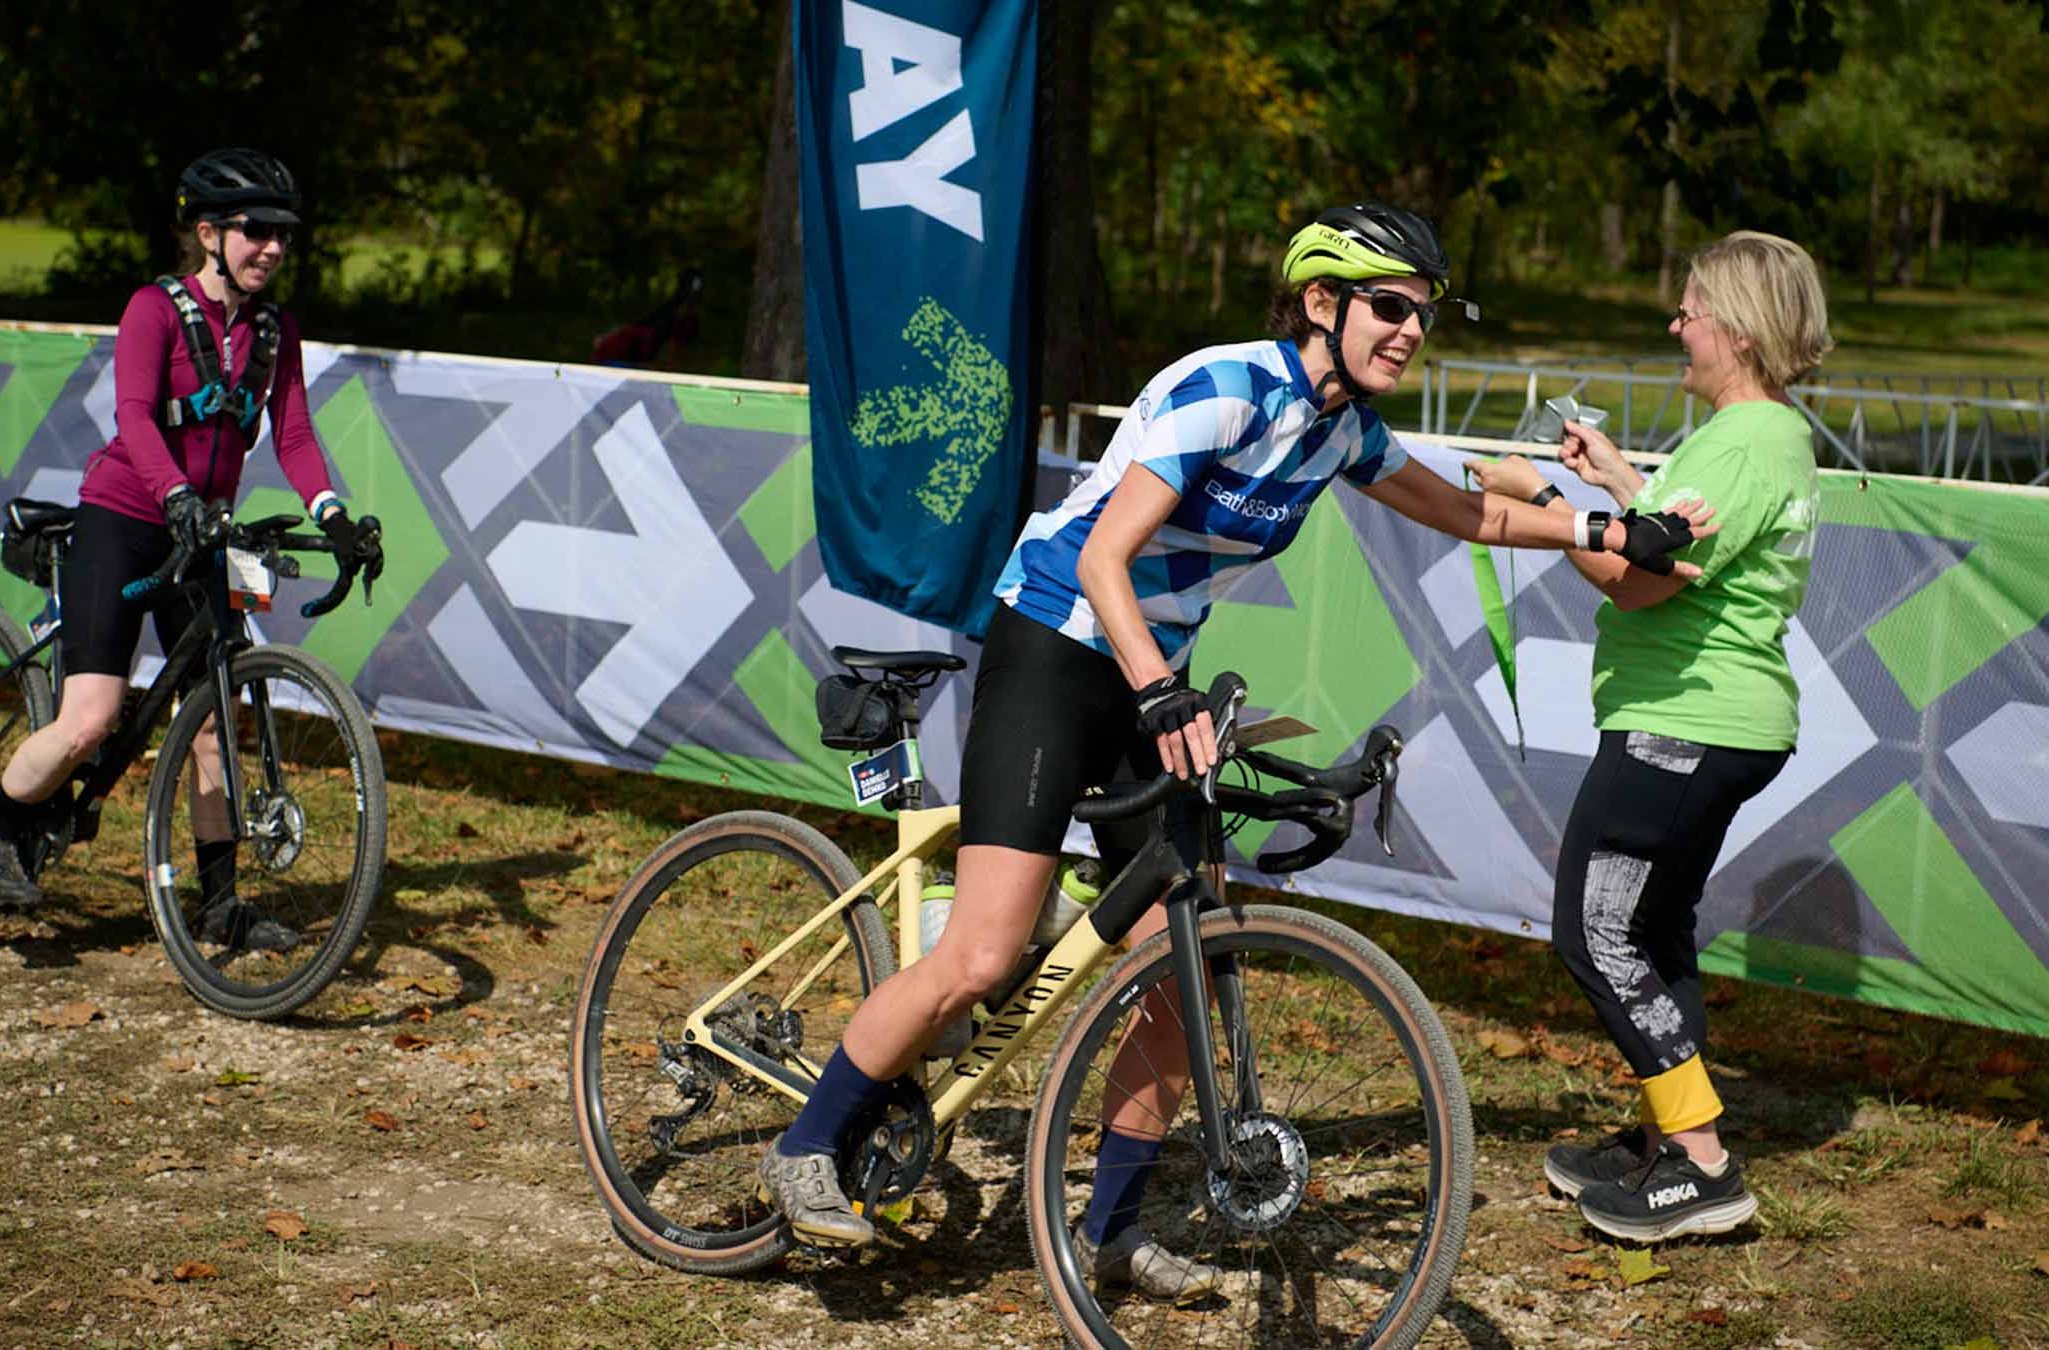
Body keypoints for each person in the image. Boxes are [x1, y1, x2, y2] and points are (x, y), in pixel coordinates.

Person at [755, 202, 1715, 1297]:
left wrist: (1607, 529)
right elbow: (1109, 557)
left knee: (1185, 970)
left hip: (1150, 673)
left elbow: (1470, 517)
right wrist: (1161, 693)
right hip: (1063, 642)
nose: (1410, 330)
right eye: (1390, 308)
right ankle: (805, 1150)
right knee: (980, 954)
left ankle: (1107, 1232)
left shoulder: (1341, 429)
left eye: (1424, 314)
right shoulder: (1223, 390)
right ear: (1322, 303)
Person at [1469, 230, 1833, 1244]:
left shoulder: (1745, 441)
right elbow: (1684, 549)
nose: (1676, 324)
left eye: (1689, 309)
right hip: (1712, 719)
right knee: (1654, 930)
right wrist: (1624, 479)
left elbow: (1639, 582)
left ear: (1739, 328)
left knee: (1595, 933)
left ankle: (1704, 1162)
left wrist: (1539, 496)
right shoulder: (1769, 436)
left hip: (1687, 722)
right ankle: (1671, 1139)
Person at [0, 148, 369, 953]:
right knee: (91, 718)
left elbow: (294, 436)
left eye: (284, 234)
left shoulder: (277, 332)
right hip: (126, 516)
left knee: (213, 722)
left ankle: (218, 905)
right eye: (258, 232)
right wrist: (175, 495)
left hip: (201, 528)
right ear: (209, 233)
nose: (275, 249)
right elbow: (137, 417)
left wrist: (333, 512)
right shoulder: (154, 308)